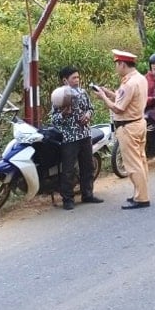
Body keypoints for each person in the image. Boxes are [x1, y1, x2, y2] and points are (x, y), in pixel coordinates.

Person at [92, 49, 150, 209]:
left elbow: (118, 108)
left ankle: (142, 198)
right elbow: (123, 97)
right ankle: (140, 193)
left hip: (128, 126)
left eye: (117, 65)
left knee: (133, 164)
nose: (116, 68)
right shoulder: (139, 78)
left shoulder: (129, 83)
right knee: (141, 160)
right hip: (138, 123)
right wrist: (109, 93)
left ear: (123, 64)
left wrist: (103, 98)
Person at [49, 66, 103, 210]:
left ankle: (88, 194)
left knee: (88, 166)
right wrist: (63, 114)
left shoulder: (83, 92)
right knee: (68, 170)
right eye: (74, 78)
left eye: (78, 77)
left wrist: (88, 115)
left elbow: (91, 108)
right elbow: (54, 119)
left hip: (85, 135)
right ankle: (68, 199)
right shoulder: (58, 96)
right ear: (65, 80)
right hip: (69, 137)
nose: (77, 80)